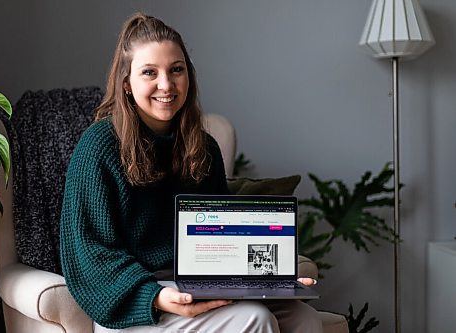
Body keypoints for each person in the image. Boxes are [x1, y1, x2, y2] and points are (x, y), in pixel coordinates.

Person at [60, 12, 322, 333]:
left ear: (189, 77)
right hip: (137, 302)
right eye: (149, 73)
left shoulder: (204, 146)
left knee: (305, 319)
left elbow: (225, 240)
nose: (166, 85)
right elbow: (90, 252)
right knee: (256, 319)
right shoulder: (99, 146)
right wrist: (155, 296)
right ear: (126, 83)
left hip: (197, 285)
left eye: (176, 70)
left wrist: (270, 277)